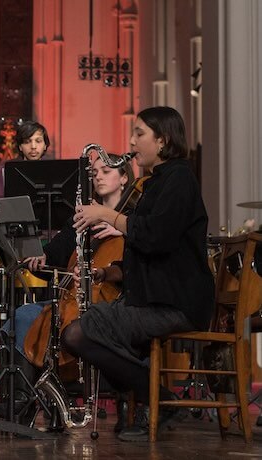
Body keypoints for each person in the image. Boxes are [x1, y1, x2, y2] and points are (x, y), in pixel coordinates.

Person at [64, 106, 214, 442]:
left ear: (162, 141)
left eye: (139, 133)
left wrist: (107, 215)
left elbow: (155, 237)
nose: (131, 141)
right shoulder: (158, 181)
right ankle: (155, 399)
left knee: (81, 333)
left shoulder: (179, 178)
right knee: (75, 332)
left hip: (175, 303)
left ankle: (158, 399)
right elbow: (143, 252)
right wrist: (109, 272)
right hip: (151, 300)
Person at [0, 153, 134, 421]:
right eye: (94, 172)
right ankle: (22, 403)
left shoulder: (134, 219)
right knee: (19, 318)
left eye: (106, 171)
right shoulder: (83, 218)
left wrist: (122, 229)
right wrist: (43, 258)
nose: (99, 176)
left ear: (124, 177)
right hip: (73, 299)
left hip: (114, 302)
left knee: (38, 319)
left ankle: (39, 400)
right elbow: (57, 251)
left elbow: (136, 266)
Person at [0, 121, 50, 239]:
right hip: (13, 238)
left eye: (38, 141)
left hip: (48, 239)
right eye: (27, 142)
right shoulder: (4, 170)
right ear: (20, 146)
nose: (33, 146)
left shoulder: (53, 170)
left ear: (45, 145)